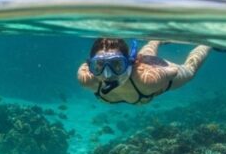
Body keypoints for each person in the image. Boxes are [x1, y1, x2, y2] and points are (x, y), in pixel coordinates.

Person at [77, 38, 211, 104]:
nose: (107, 74)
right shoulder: (86, 79)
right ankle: (155, 40)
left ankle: (208, 43)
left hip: (153, 71)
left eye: (117, 65)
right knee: (146, 55)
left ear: (129, 62)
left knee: (190, 71)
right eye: (99, 65)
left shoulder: (148, 80)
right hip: (137, 67)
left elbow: (174, 70)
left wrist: (157, 70)